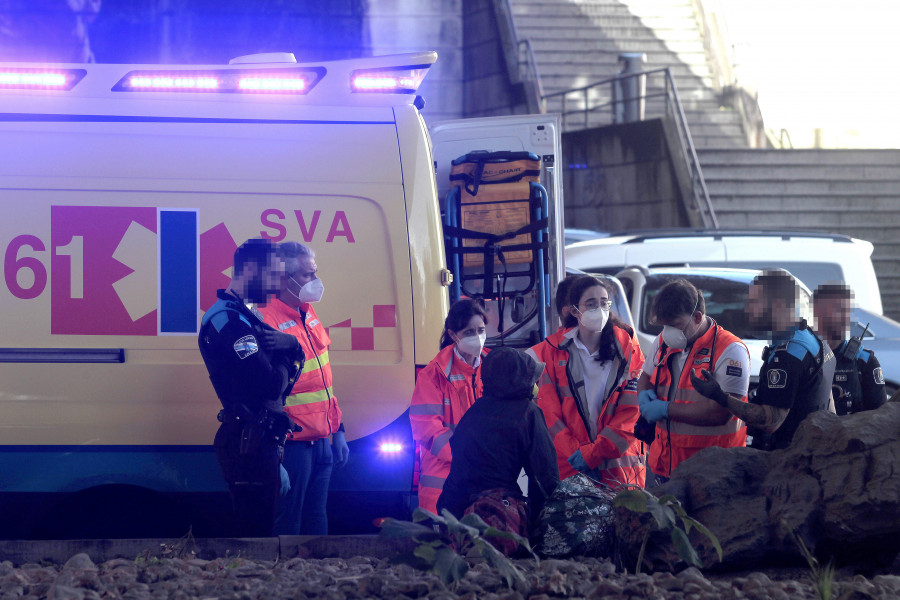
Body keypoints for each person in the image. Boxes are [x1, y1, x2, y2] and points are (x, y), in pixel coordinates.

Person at [198, 238, 303, 537]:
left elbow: (290, 367)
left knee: (262, 532)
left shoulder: (246, 314)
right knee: (255, 539)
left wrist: (292, 346)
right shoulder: (228, 321)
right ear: (251, 269)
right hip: (247, 444)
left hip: (258, 439)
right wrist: (289, 355)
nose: (275, 285)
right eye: (272, 275)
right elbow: (269, 385)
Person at [257, 241, 348, 535]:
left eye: (315, 272)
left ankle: (320, 579)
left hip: (322, 438)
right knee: (289, 522)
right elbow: (264, 394)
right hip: (293, 444)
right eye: (309, 275)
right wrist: (275, 453)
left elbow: (322, 380)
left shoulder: (307, 314)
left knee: (316, 518)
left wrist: (340, 430)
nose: (316, 281)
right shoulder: (265, 320)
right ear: (285, 279)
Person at [691, 270, 835, 450]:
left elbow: (770, 421)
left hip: (788, 464)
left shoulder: (789, 355)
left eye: (754, 303)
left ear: (778, 305)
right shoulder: (814, 340)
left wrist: (720, 396)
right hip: (812, 456)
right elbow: (828, 406)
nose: (747, 309)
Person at [527, 274, 646, 489]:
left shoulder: (628, 349)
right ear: (574, 310)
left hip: (619, 470)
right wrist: (576, 452)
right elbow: (549, 415)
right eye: (591, 304)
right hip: (572, 470)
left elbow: (632, 412)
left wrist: (593, 453)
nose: (599, 310)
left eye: (604, 303)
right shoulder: (552, 353)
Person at [636, 279, 750, 487]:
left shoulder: (730, 350)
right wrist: (643, 396)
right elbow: (646, 376)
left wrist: (666, 409)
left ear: (697, 317)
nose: (668, 331)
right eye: (664, 325)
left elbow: (723, 413)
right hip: (664, 467)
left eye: (675, 325)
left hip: (712, 474)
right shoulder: (663, 341)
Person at [436, 347, 560, 532]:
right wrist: (548, 523)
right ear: (518, 380)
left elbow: (460, 466)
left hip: (455, 512)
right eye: (531, 378)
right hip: (499, 516)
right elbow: (544, 476)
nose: (535, 383)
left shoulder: (475, 410)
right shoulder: (527, 412)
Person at [410, 299, 489, 515]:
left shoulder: (494, 367)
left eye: (481, 330)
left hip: (485, 483)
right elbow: (428, 430)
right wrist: (470, 457)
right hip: (443, 485)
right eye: (469, 332)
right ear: (453, 335)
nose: (477, 337)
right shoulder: (433, 375)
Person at [813, 283, 887, 415]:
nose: (845, 317)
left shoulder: (864, 361)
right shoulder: (804, 356)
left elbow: (879, 416)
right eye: (838, 310)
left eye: (846, 311)